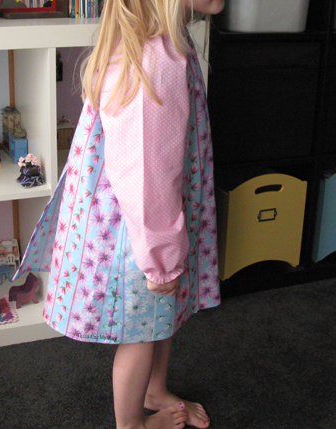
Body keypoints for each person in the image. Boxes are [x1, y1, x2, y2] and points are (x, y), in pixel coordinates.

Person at [14, 0, 225, 427]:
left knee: (161, 316)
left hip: (154, 220)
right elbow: (146, 173)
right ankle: (131, 424)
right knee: (140, 333)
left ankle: (154, 390)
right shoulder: (153, 62)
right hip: (141, 230)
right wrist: (161, 258)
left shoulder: (165, 45)